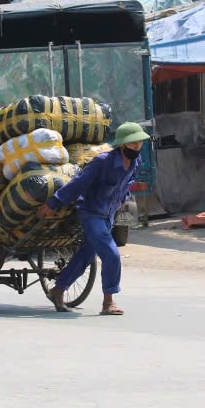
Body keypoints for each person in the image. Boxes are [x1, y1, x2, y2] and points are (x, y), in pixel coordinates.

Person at [38, 121, 150, 315]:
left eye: (139, 143)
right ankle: (108, 302)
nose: (137, 147)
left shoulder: (135, 162)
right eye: (133, 144)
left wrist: (122, 199)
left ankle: (57, 290)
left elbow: (128, 182)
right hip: (90, 213)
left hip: (109, 215)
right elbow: (78, 183)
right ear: (122, 144)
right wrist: (53, 203)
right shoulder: (103, 161)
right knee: (112, 254)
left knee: (86, 256)